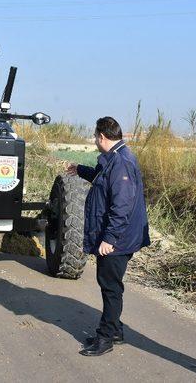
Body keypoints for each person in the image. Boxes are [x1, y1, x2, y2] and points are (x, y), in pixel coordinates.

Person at [66, 116, 150, 357]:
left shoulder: (121, 162)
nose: (94, 141)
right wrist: (80, 170)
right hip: (119, 237)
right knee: (110, 285)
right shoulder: (114, 159)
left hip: (119, 240)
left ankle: (105, 339)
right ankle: (115, 331)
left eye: (95, 137)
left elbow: (121, 206)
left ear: (102, 137)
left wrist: (109, 239)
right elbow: (104, 183)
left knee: (110, 288)